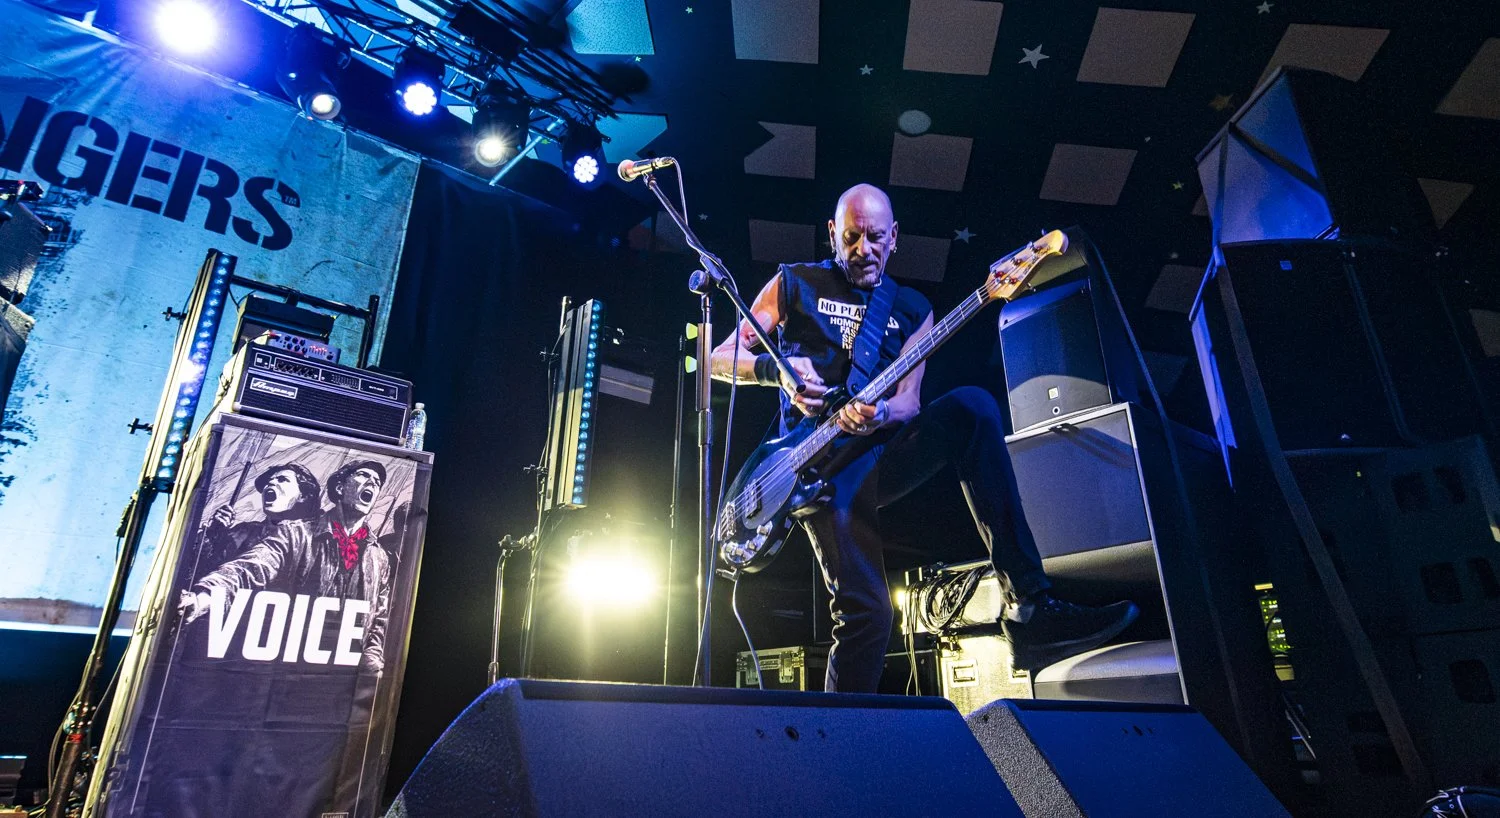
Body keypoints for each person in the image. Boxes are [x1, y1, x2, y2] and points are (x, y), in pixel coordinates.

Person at [710, 183, 1138, 693]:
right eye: (850, 237)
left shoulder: (913, 308)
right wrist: (773, 372)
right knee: (867, 615)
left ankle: (1029, 606)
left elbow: (910, 403)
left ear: (894, 238)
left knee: (972, 407)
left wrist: (880, 411)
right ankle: (838, 749)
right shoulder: (795, 283)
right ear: (832, 234)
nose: (862, 249)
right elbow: (719, 358)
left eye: (873, 237)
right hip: (809, 468)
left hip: (879, 454)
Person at [180, 459, 394, 674]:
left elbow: (379, 617)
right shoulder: (296, 534)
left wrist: (371, 659)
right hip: (284, 669)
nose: (373, 483)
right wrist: (202, 598)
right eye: (364, 475)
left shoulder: (379, 557)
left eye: (377, 481)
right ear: (340, 487)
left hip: (339, 678)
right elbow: (250, 568)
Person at [198, 463, 322, 570]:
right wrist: (213, 533)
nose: (271, 482)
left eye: (282, 479)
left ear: (303, 496)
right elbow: (200, 569)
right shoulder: (244, 532)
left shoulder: (317, 540)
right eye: (269, 481)